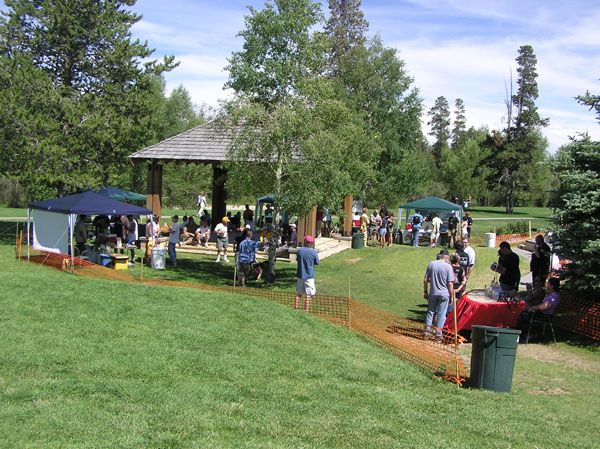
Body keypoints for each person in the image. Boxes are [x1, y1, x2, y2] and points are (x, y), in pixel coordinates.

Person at [423, 250, 455, 340]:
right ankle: (438, 334)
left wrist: (425, 291)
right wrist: (451, 295)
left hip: (433, 292)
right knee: (441, 314)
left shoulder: (431, 264)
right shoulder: (448, 267)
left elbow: (425, 279)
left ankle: (426, 332)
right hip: (444, 294)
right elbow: (450, 284)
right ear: (446, 257)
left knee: (430, 312)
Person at [294, 235, 320, 312]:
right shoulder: (313, 252)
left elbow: (297, 259)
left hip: (300, 275)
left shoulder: (299, 251)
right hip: (309, 276)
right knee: (309, 294)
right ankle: (306, 311)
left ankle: (295, 309)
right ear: (311, 243)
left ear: (305, 241)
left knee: (298, 294)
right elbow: (317, 262)